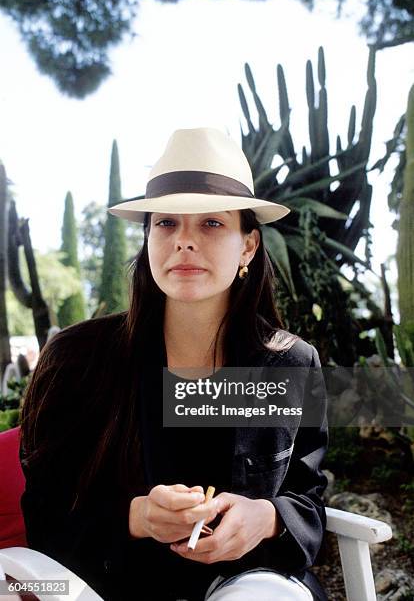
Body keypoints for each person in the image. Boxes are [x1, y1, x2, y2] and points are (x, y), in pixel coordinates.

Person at [20, 127, 329, 601]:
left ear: (248, 246)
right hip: (102, 585)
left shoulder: (290, 364)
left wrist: (265, 519)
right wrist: (138, 517)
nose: (185, 241)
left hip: (249, 583)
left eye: (211, 224)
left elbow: (307, 499)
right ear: (147, 238)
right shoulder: (76, 361)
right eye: (166, 223)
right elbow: (45, 514)